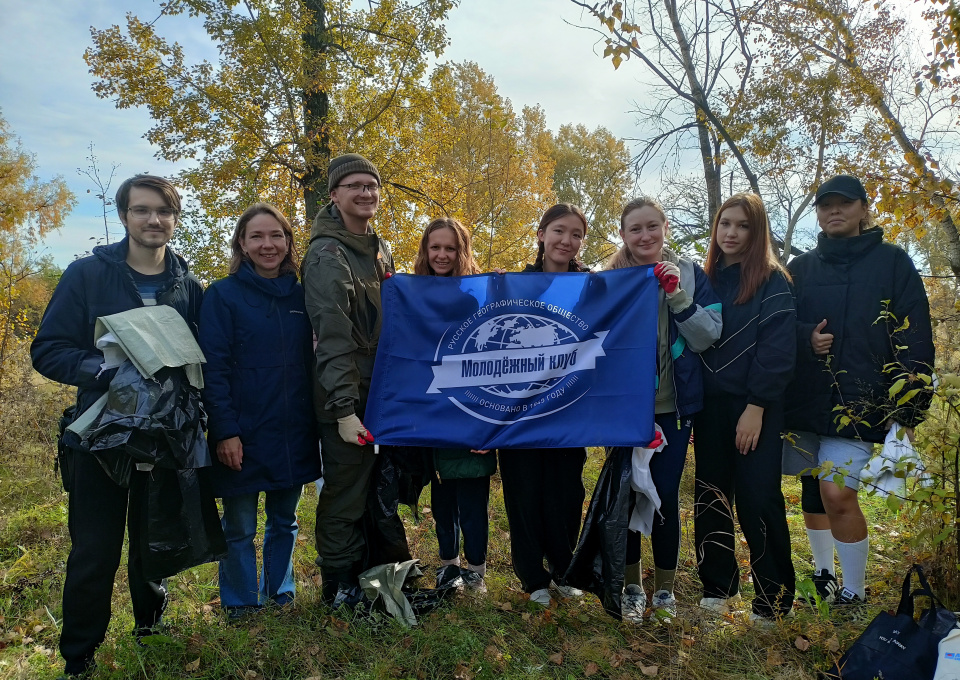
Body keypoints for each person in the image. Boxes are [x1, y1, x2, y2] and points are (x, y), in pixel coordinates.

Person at [31, 175, 204, 679]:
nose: (154, 220)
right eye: (143, 210)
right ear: (125, 216)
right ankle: (79, 656)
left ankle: (150, 630)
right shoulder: (87, 275)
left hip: (163, 435)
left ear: (175, 218)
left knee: (153, 539)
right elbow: (47, 349)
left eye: (164, 212)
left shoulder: (187, 286)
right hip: (99, 436)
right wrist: (102, 369)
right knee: (95, 548)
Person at [782, 174, 934, 608]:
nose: (835, 211)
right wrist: (805, 336)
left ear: (864, 209)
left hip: (865, 402)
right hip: (804, 398)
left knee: (837, 492)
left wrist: (909, 404)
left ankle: (853, 591)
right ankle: (823, 575)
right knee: (813, 487)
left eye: (845, 204)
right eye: (826, 205)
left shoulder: (893, 263)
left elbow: (916, 335)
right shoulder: (802, 268)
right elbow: (776, 326)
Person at [198, 203, 321, 621]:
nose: (268, 245)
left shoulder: (304, 295)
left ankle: (280, 594)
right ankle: (240, 604)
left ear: (288, 242)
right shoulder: (222, 295)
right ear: (242, 244)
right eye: (257, 236)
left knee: (285, 522)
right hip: (243, 432)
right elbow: (211, 369)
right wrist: (224, 431)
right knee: (240, 528)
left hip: (294, 430)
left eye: (276, 236)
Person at [602, 197, 722, 623]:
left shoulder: (691, 273)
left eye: (652, 226)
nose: (645, 236)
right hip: (624, 411)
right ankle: (632, 586)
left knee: (665, 496)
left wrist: (678, 295)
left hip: (675, 408)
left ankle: (666, 591)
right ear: (623, 234)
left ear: (665, 227)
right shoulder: (609, 278)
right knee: (628, 493)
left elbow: (709, 335)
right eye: (635, 229)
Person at [302, 153, 409, 603]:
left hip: (381, 389)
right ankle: (339, 584)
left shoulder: (378, 247)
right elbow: (333, 338)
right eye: (355, 186)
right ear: (334, 195)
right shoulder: (328, 254)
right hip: (346, 392)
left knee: (376, 487)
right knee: (345, 492)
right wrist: (343, 409)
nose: (366, 193)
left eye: (372, 186)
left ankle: (374, 572)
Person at [694, 193, 796, 624]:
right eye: (724, 224)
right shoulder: (704, 280)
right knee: (711, 497)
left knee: (758, 500)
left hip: (755, 408)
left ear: (757, 232)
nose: (731, 233)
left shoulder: (773, 282)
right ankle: (718, 586)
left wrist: (755, 406)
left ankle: (772, 600)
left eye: (742, 226)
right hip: (708, 407)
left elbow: (777, 351)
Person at [498, 203, 591, 607]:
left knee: (567, 494)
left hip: (570, 410)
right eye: (558, 231)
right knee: (524, 492)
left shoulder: (595, 286)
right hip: (519, 413)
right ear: (540, 235)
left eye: (575, 234)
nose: (565, 241)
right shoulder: (515, 283)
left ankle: (564, 569)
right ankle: (532, 577)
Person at [413, 217, 495, 593]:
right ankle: (449, 566)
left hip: (473, 412)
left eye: (450, 248)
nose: (442, 255)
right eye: (435, 247)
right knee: (442, 497)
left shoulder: (478, 296)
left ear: (462, 252)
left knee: (474, 500)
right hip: (432, 415)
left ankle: (476, 571)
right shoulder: (413, 294)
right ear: (425, 251)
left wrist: (490, 422)